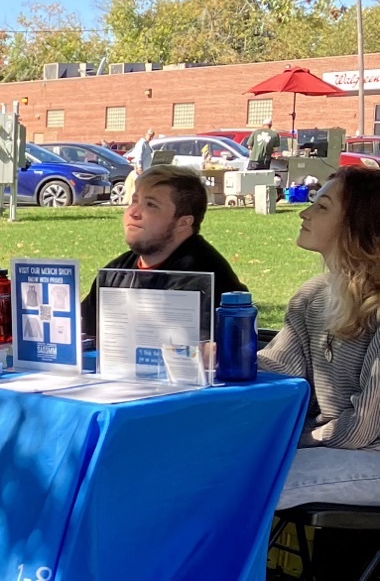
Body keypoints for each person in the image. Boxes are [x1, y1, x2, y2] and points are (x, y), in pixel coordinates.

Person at [260, 171, 380, 481]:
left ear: (358, 224)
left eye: (322, 206)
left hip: (368, 454)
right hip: (328, 448)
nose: (304, 212)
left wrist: (297, 441)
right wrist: (218, 356)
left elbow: (361, 429)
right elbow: (279, 371)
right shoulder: (313, 295)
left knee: (248, 488)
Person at [81, 168, 244, 342]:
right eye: (134, 201)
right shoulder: (115, 273)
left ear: (183, 222)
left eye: (151, 205)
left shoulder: (205, 278)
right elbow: (83, 331)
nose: (133, 213)